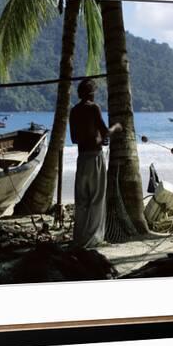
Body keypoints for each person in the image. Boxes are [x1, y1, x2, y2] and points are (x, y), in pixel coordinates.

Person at [69, 78, 122, 248]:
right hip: (95, 158)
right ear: (92, 93)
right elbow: (105, 132)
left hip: (82, 159)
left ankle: (80, 238)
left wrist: (97, 138)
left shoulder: (74, 111)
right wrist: (117, 128)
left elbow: (75, 138)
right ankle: (93, 239)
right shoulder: (93, 108)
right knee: (97, 199)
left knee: (82, 200)